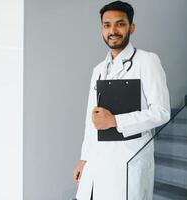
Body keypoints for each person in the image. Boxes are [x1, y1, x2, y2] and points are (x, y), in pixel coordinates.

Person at [73, 1, 171, 200]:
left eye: (120, 24)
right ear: (102, 29)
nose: (113, 30)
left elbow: (162, 112)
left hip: (128, 160)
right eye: (107, 25)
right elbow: (90, 120)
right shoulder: (98, 70)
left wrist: (115, 121)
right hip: (97, 162)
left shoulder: (147, 61)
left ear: (131, 27)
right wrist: (84, 159)